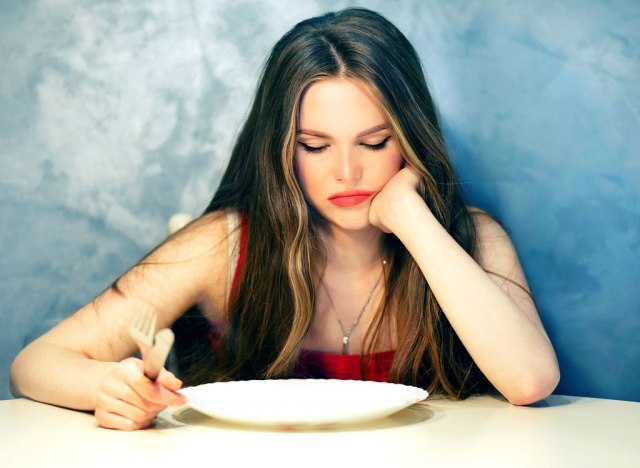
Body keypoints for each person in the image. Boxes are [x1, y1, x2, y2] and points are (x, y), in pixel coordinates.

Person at [10, 7, 560, 430]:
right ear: (281, 150)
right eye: (315, 146)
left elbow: (530, 379)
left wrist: (410, 214)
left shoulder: (472, 238)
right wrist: (111, 385)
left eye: (374, 141)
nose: (347, 171)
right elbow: (37, 361)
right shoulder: (223, 245)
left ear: (412, 140)